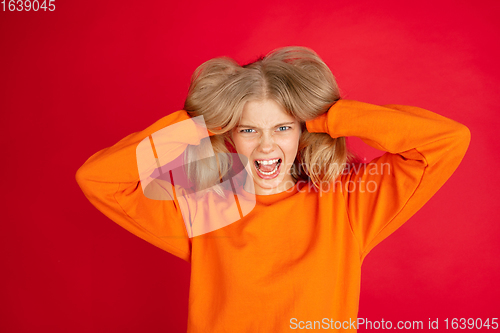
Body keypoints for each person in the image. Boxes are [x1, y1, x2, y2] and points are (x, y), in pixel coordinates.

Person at [75, 46, 471, 332]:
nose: (266, 146)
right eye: (249, 130)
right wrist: (195, 125)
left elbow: (446, 141)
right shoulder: (205, 206)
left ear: (303, 129)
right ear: (229, 134)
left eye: (283, 127)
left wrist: (329, 116)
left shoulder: (346, 201)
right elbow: (98, 179)